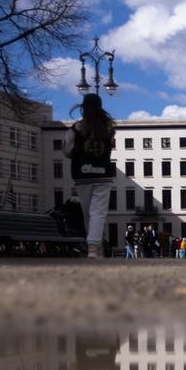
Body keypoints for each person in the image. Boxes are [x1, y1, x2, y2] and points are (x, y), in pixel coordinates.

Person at [63, 93, 117, 259]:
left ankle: (93, 246)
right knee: (98, 213)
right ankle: (95, 246)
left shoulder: (76, 128)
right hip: (103, 175)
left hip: (82, 175)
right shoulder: (108, 128)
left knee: (88, 214)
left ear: (83, 108)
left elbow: (67, 150)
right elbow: (110, 144)